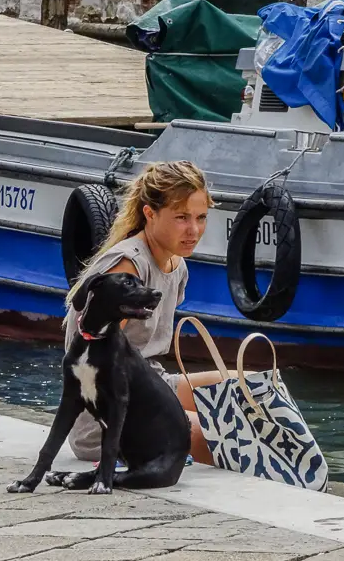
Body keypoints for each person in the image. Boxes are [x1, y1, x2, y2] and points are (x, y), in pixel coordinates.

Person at [63, 160, 238, 466]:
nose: (194, 230)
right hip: (108, 415)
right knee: (227, 436)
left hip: (148, 386)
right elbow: (90, 359)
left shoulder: (176, 264)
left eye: (201, 217)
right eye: (181, 217)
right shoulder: (128, 267)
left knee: (258, 387)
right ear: (150, 213)